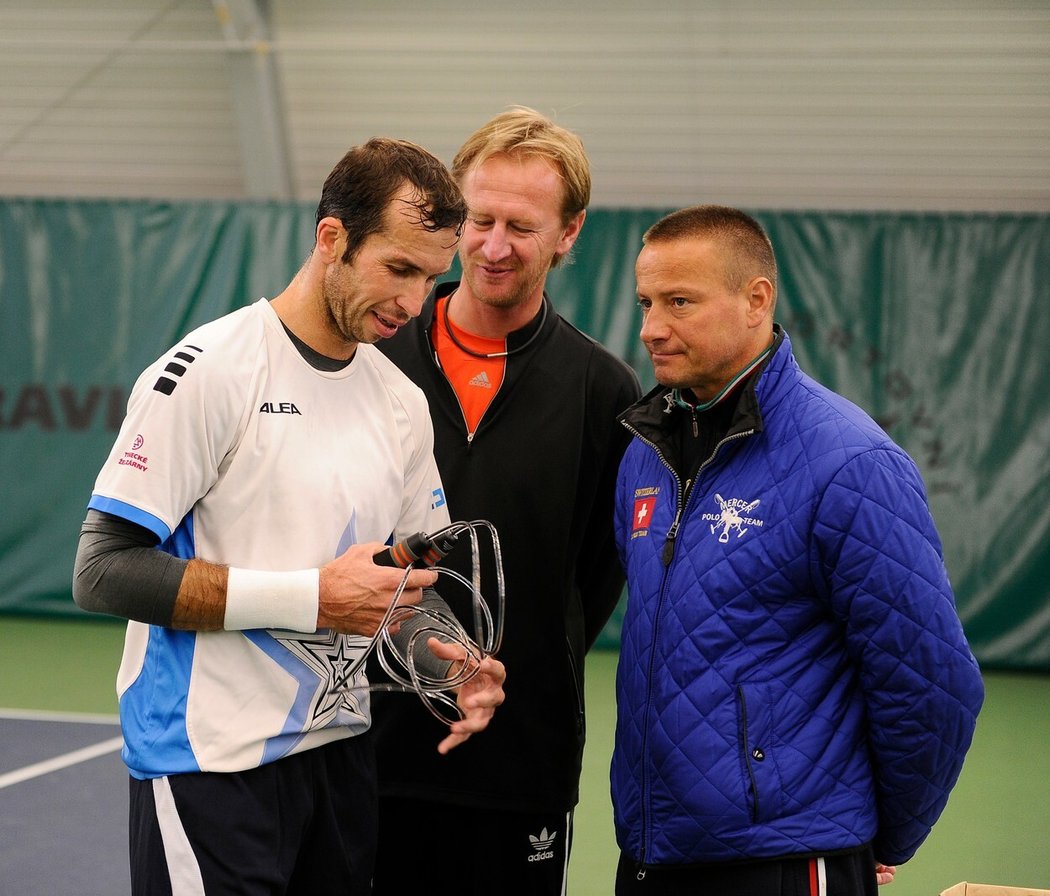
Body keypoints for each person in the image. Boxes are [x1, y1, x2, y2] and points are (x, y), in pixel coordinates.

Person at [71, 137, 506, 895]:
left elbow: (404, 590)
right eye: (398, 268)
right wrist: (312, 598)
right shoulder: (209, 371)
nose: (413, 301)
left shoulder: (401, 403)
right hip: (210, 763)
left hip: (339, 761)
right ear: (331, 238)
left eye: (432, 277)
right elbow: (103, 570)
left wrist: (451, 662)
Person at [611, 205, 984, 895]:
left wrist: (876, 832)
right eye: (646, 301)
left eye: (680, 302)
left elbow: (932, 683)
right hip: (652, 855)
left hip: (787, 862)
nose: (650, 328)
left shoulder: (851, 462)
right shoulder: (644, 454)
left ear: (757, 300)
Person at [370, 107, 640, 895]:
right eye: (479, 219)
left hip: (520, 766)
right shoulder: (372, 360)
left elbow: (594, 577)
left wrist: (518, 656)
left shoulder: (602, 391)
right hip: (365, 749)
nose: (493, 246)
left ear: (569, 232)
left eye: (521, 226)